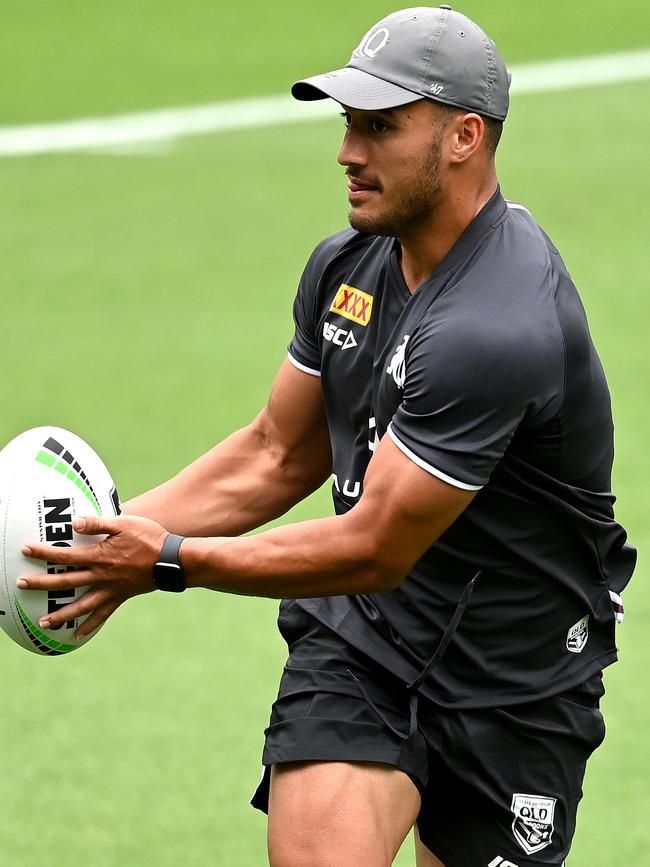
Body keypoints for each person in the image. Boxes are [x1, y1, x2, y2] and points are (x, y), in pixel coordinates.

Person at [18, 6, 635, 866]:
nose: (348, 150)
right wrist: (91, 546)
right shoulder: (346, 265)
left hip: (519, 679)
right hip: (367, 644)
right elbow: (279, 450)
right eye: (348, 123)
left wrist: (164, 561)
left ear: (463, 136)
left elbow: (375, 543)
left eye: (380, 127)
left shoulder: (497, 325)